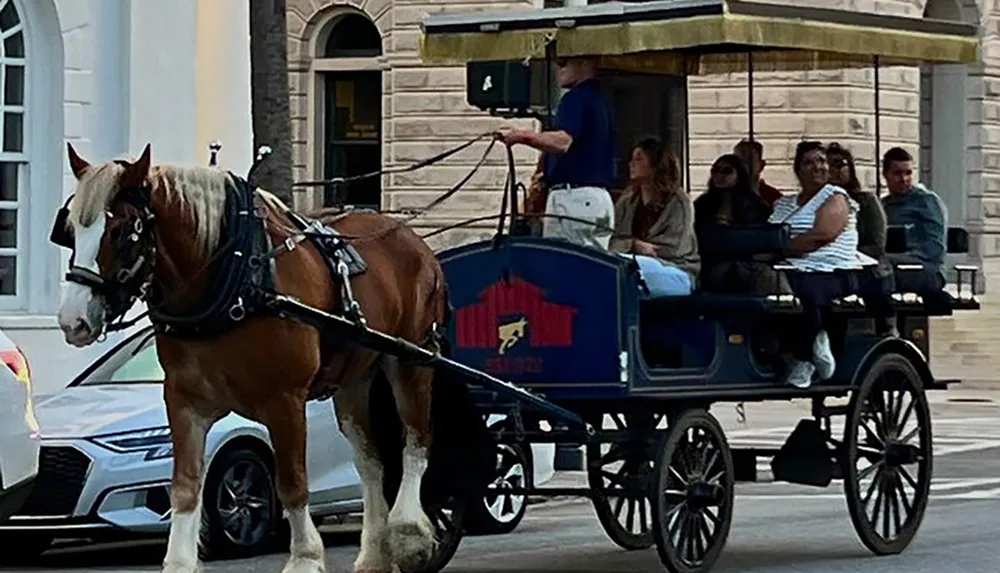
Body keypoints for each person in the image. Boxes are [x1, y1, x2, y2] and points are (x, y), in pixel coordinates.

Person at [769, 141, 878, 388]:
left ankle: (805, 356)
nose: (816, 167)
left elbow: (823, 234)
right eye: (809, 162)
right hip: (788, 266)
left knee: (803, 289)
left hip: (833, 269)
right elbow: (768, 233)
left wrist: (779, 247)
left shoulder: (836, 197)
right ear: (798, 170)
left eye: (821, 161)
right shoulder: (784, 204)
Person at [494, 56, 616, 250]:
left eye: (564, 62)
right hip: (599, 201)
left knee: (563, 266)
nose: (558, 68)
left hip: (573, 199)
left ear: (585, 62)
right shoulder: (601, 102)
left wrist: (522, 136)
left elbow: (563, 141)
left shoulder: (575, 98)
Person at [610, 137, 699, 296]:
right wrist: (633, 245)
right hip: (633, 263)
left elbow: (676, 248)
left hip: (675, 269)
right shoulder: (627, 201)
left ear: (655, 166)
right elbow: (612, 239)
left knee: (630, 275)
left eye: (639, 159)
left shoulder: (679, 202)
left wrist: (637, 251)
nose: (631, 164)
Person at [827, 143, 895, 335]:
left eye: (841, 164)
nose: (836, 170)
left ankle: (884, 328)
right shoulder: (812, 203)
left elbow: (877, 244)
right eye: (830, 164)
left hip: (863, 267)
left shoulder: (866, 202)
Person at [694, 154, 785, 293]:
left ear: (739, 174)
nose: (720, 175)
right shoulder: (702, 205)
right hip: (710, 264)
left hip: (747, 264)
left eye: (726, 171)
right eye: (716, 170)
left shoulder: (755, 206)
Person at [880, 147, 949, 294]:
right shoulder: (882, 205)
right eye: (897, 173)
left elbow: (934, 250)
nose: (904, 179)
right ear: (885, 175)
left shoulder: (927, 201)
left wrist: (889, 258)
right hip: (892, 265)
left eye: (908, 173)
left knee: (876, 274)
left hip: (927, 268)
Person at [734, 139, 783, 207]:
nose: (743, 166)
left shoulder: (772, 195)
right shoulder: (724, 191)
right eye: (738, 161)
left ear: (761, 165)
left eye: (749, 161)